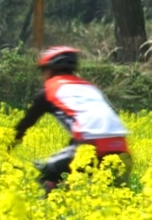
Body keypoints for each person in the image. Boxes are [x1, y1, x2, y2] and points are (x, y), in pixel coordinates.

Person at [14, 46, 131, 192]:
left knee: (40, 173)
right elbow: (94, 120)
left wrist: (2, 150)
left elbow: (24, 125)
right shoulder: (90, 87)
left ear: (49, 70)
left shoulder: (49, 90)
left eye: (42, 71)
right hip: (122, 149)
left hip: (89, 149)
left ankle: (50, 211)